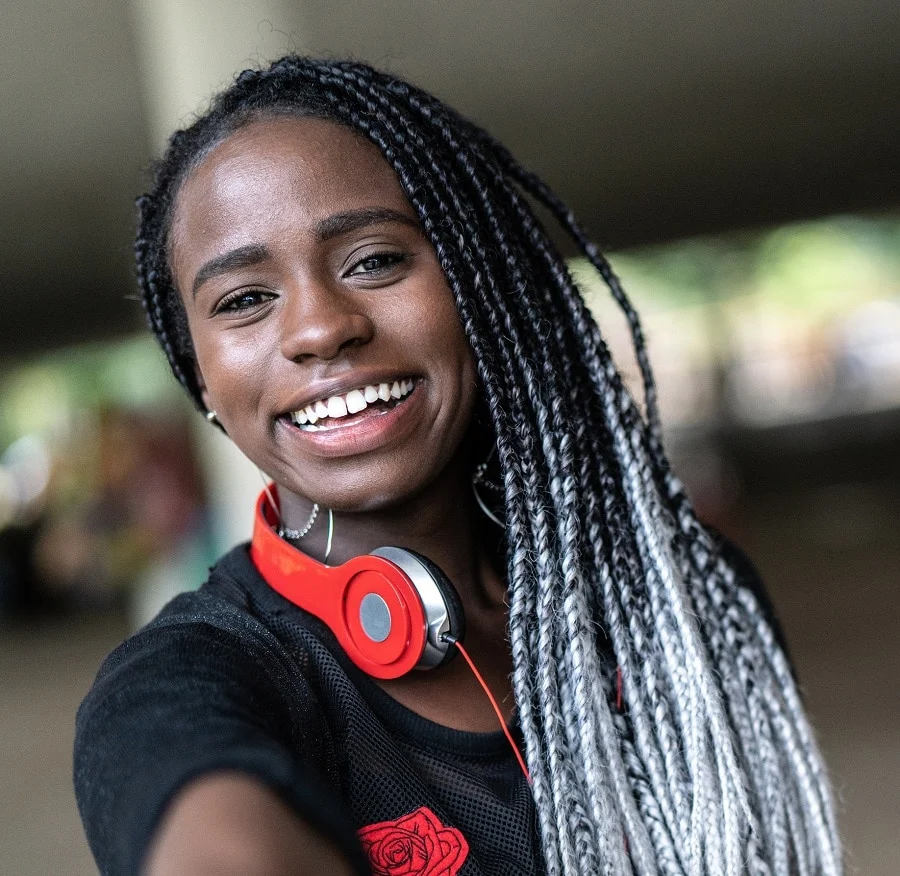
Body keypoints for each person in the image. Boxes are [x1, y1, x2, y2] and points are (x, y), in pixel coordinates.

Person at [74, 56, 842, 876]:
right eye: (243, 300)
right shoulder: (184, 680)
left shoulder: (682, 604)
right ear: (201, 376)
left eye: (373, 261)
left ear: (484, 289)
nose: (319, 328)